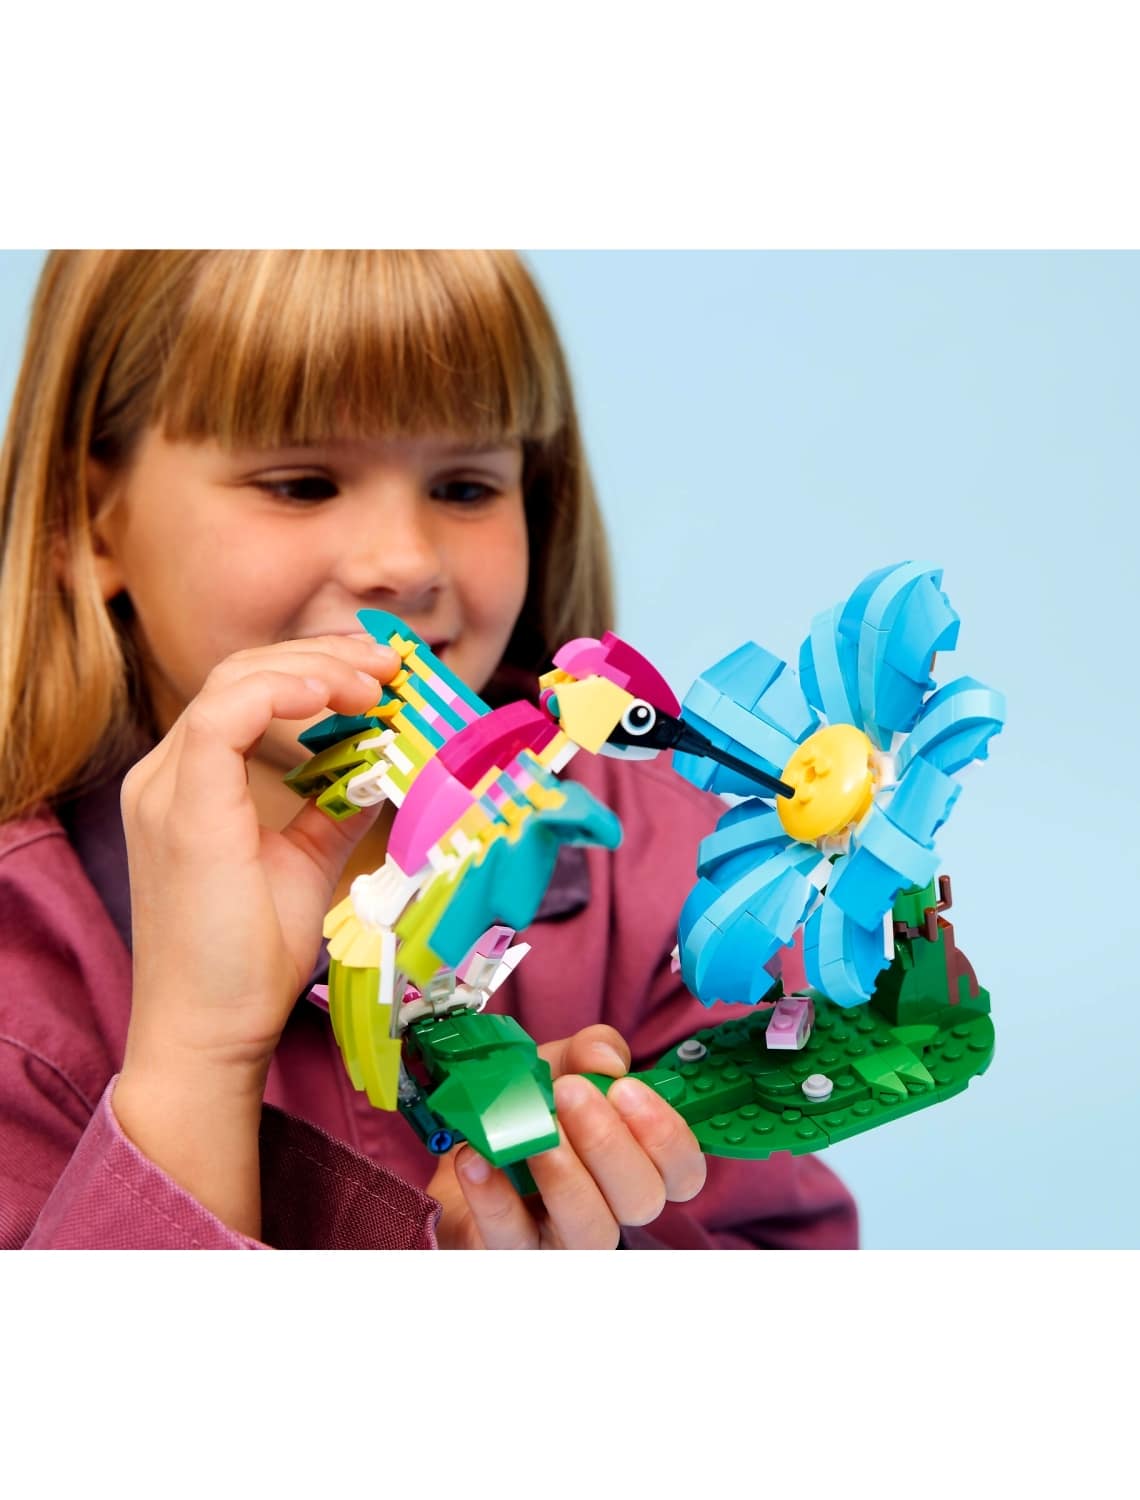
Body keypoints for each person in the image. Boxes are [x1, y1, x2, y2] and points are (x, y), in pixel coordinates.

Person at [0, 250, 859, 1250]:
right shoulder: (24, 973)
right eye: (301, 483)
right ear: (87, 522)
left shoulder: (669, 871)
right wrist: (195, 1058)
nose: (405, 564)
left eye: (464, 485)